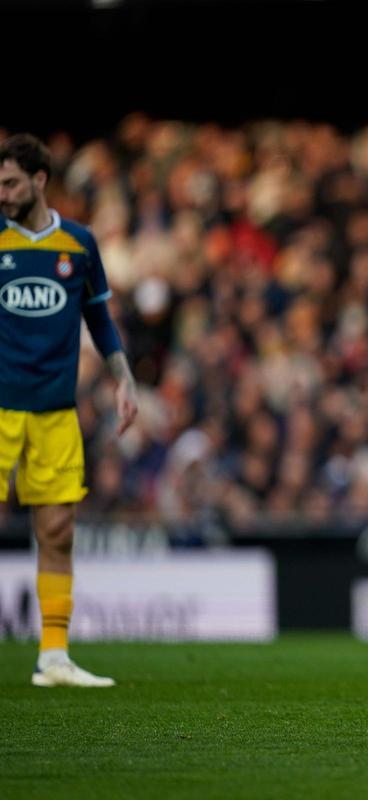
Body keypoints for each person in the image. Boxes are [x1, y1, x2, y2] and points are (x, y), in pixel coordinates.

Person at [0, 133, 138, 687]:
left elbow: (99, 319)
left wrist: (124, 378)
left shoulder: (78, 244)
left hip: (56, 410)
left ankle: (53, 657)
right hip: (2, 407)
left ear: (39, 180)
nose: (2, 194)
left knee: (57, 531)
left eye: (10, 183)